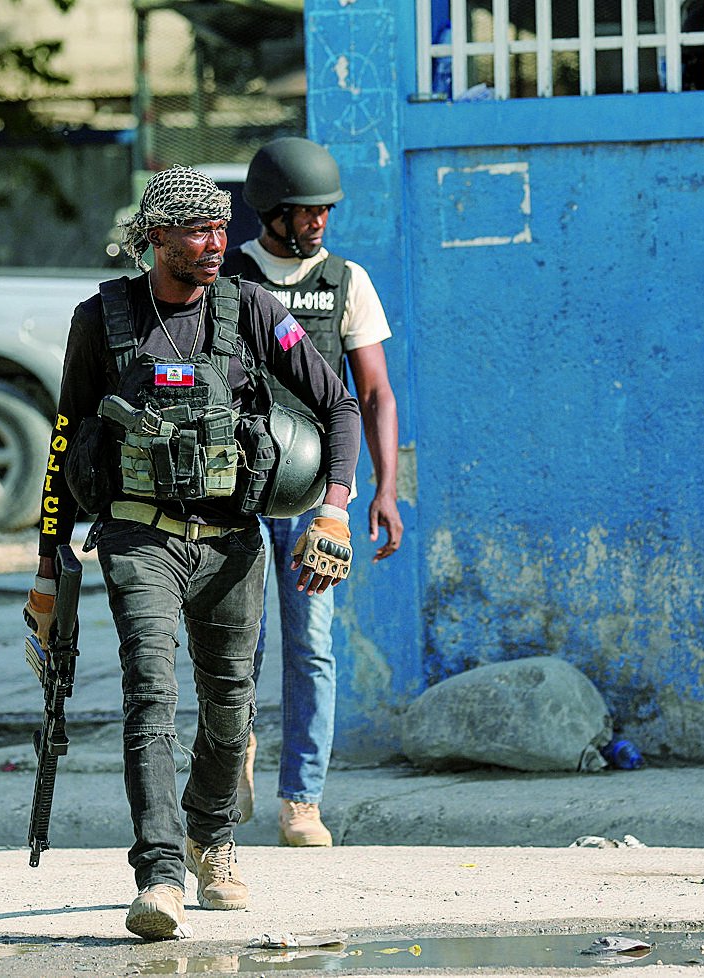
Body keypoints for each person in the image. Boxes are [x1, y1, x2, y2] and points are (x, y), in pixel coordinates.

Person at [26, 165, 361, 940]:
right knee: (149, 693)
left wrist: (333, 511)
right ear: (154, 237)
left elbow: (337, 402)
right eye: (196, 230)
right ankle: (158, 873)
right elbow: (66, 437)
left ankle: (210, 837)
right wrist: (48, 565)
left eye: (219, 228)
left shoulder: (251, 308)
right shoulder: (101, 317)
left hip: (230, 539)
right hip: (137, 535)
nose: (215, 243)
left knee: (229, 705)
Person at [220, 137, 404, 847]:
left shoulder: (345, 280)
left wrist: (382, 489)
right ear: (270, 211)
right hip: (237, 490)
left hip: (315, 499)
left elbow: (375, 392)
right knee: (237, 642)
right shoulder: (228, 276)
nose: (317, 222)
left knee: (312, 645)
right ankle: (233, 758)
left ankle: (301, 799)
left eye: (324, 210)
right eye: (303, 211)